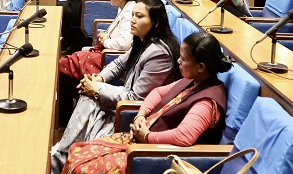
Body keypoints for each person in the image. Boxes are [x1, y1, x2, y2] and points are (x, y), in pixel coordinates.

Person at [62, 32, 232, 174]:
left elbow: (183, 136)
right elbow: (157, 92)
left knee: (80, 167)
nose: (178, 61)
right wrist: (141, 115)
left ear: (200, 67)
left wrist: (147, 136)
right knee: (77, 151)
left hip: (153, 155)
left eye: (183, 59)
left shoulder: (207, 102)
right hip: (139, 141)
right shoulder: (193, 80)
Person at [50, 0, 180, 173]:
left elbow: (136, 98)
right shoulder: (142, 41)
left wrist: (97, 90)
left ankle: (60, 156)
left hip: (133, 113)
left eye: (139, 16)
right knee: (88, 94)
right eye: (132, 15)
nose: (132, 20)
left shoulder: (159, 54)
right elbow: (118, 64)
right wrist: (98, 80)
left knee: (89, 97)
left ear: (155, 22)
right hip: (123, 101)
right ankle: (62, 154)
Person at [57, 0, 139, 124]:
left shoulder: (129, 13)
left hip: (110, 57)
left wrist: (105, 40)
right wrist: (106, 35)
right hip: (106, 52)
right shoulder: (124, 7)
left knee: (63, 66)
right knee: (66, 64)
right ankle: (70, 112)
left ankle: (67, 115)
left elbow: (124, 44)